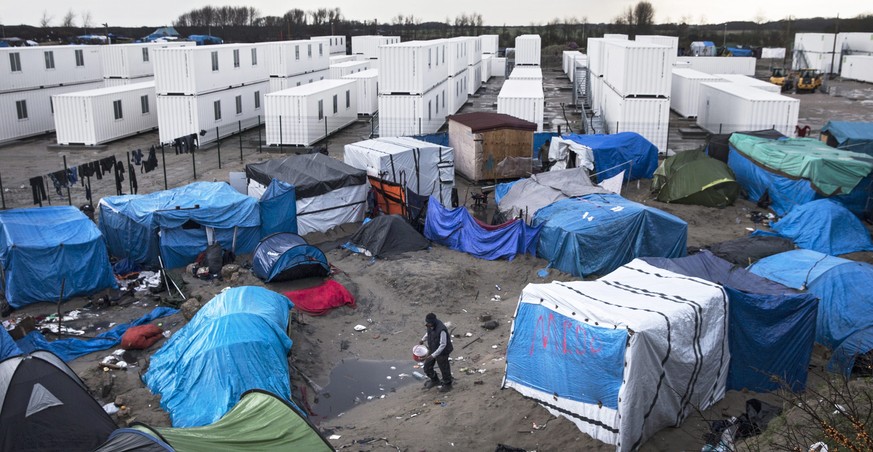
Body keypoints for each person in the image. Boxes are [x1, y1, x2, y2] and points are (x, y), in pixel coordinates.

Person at [420, 313, 453, 392]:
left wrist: (433, 355)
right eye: (427, 323)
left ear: (433, 322)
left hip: (443, 351)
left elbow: (443, 344)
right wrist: (422, 339)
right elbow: (428, 333)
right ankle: (435, 380)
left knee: (444, 368)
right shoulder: (430, 326)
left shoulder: (441, 329)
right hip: (433, 348)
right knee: (427, 367)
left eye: (429, 323)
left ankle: (448, 384)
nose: (428, 324)